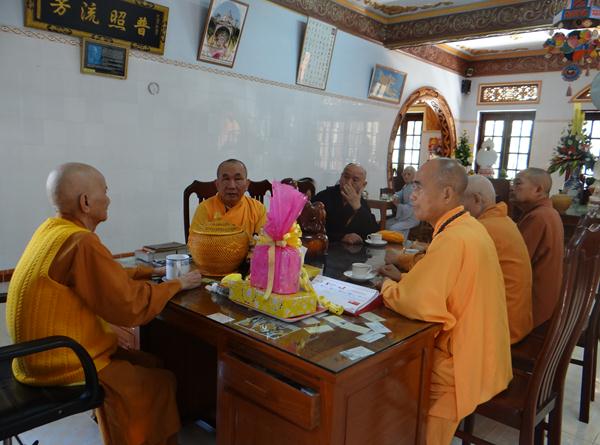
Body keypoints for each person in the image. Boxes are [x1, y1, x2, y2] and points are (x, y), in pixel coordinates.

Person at [5, 162, 204, 445]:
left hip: (32, 357)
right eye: (105, 191)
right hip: (63, 361)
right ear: (86, 202)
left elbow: (103, 274)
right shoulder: (81, 242)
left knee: (150, 362)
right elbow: (129, 305)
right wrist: (177, 284)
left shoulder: (52, 230)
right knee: (158, 382)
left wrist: (150, 272)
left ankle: (116, 426)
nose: (109, 199)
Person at [378, 158, 512, 445]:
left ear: (447, 193)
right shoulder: (468, 227)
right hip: (483, 353)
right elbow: (436, 283)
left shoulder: (454, 238)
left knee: (382, 378)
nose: (412, 196)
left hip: (458, 366)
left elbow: (416, 301)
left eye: (419, 187)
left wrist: (386, 287)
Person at [463, 174, 533, 344]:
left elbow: (450, 273)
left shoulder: (483, 229)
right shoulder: (504, 221)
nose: (457, 208)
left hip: (502, 329)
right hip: (516, 321)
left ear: (477, 199)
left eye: (460, 201)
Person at [511, 167, 564, 328]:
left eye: (518, 183)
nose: (512, 188)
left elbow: (515, 264)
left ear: (538, 190)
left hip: (534, 308)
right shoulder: (549, 213)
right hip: (548, 303)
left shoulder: (538, 217)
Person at [190, 159, 266, 240]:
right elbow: (195, 243)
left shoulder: (258, 209)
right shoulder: (205, 208)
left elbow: (265, 243)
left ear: (247, 184)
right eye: (226, 179)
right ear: (217, 184)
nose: (231, 186)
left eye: (237, 179)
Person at [312, 163, 378, 244]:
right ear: (341, 177)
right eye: (346, 177)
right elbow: (310, 231)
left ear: (363, 185)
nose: (348, 183)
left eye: (355, 180)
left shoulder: (361, 203)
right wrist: (341, 237)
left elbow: (372, 233)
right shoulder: (324, 197)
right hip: (326, 247)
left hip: (353, 250)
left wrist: (357, 207)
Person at [385, 166, 419, 239]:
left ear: (414, 175)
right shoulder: (406, 186)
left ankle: (400, 243)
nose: (406, 176)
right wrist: (395, 196)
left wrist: (398, 205)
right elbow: (399, 194)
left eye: (409, 174)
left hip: (412, 218)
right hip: (405, 215)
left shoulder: (415, 188)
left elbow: (411, 208)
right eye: (404, 174)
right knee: (386, 224)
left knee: (393, 228)